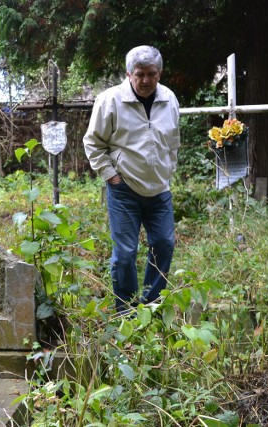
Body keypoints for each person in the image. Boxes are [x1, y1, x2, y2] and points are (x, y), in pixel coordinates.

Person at [83, 45, 181, 312]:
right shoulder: (110, 100)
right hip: (124, 189)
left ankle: (151, 305)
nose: (145, 80)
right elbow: (93, 143)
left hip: (159, 190)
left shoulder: (169, 99)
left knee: (164, 244)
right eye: (140, 74)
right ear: (128, 74)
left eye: (151, 74)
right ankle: (125, 311)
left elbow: (172, 142)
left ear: (159, 73)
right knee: (125, 253)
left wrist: (167, 171)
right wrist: (111, 176)